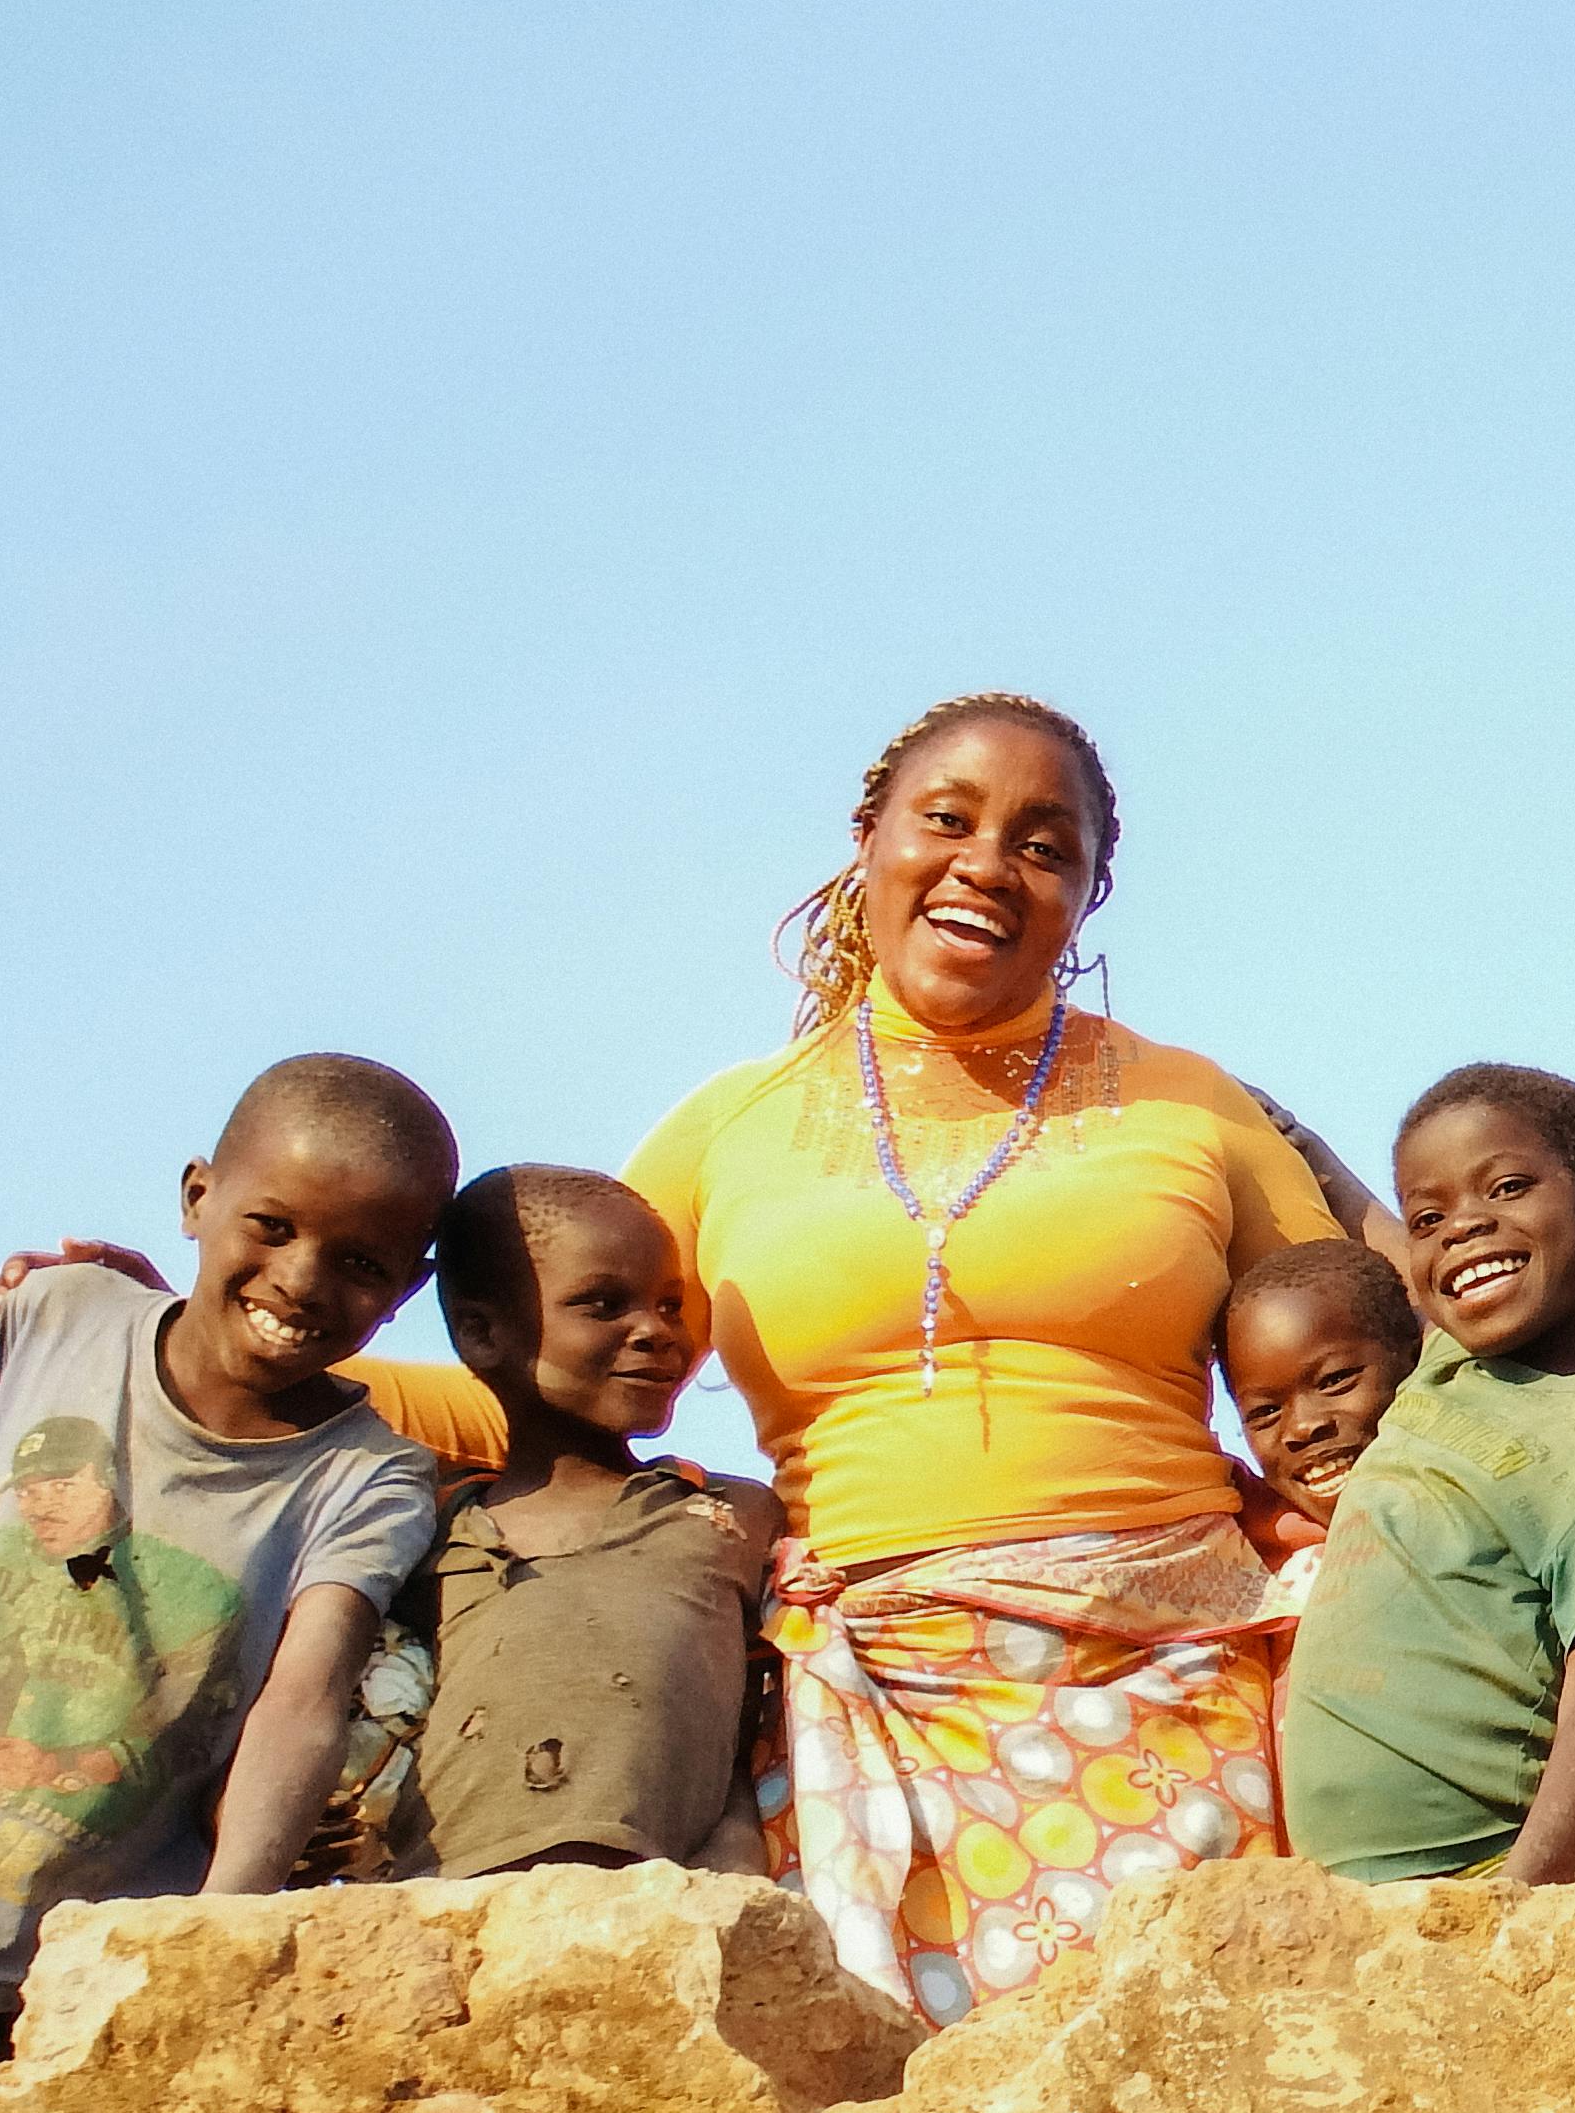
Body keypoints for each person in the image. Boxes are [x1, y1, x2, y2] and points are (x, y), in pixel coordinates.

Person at [340, 695, 1345, 2025]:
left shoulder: (1191, 1104)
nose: (989, 862)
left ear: (1089, 900)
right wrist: (224, 1365)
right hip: (859, 1695)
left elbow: (1362, 1356)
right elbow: (549, 1381)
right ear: (867, 840)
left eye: (1049, 849)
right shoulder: (734, 1124)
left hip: (1174, 1680)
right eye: (949, 820)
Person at [0, 1056, 456, 2103]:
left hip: (114, 1980)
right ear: (197, 1197)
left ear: (408, 1289)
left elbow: (300, 1704)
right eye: (271, 1226)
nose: (302, 1280)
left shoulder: (365, 1477)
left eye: (360, 1261)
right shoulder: (56, 1319)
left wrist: (217, 1933)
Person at [1282, 1066, 1575, 1884]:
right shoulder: (1446, 1361)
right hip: (1343, 1900)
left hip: (1482, 1878)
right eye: (1430, 1216)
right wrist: (1304, 1150)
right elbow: (1402, 1257)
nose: (1464, 1230)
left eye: (1507, 1187)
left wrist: (1523, 1897)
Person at [396, 1165, 781, 1880]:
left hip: (663, 1912)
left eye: (670, 1306)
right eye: (604, 1305)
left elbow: (759, 1720)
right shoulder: (429, 1532)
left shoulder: (730, 1515)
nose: (657, 1332)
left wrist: (737, 1847)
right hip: (441, 1916)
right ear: (481, 1333)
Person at [1218, 1237, 1424, 1619]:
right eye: (1264, 1412)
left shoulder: (1489, 1507)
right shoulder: (1260, 1566)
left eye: (1334, 1381)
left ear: (1414, 1356)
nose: (1303, 1426)